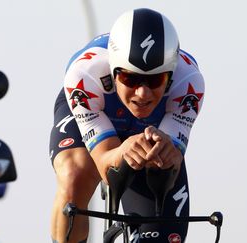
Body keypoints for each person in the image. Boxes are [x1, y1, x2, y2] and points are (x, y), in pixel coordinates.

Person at [49, 8, 205, 243]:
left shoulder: (188, 84)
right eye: (130, 79)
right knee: (76, 174)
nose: (142, 93)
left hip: (152, 126)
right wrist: (122, 151)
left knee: (158, 232)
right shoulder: (85, 75)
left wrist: (168, 153)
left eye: (155, 80)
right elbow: (105, 166)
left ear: (171, 77)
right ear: (112, 73)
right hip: (97, 104)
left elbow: (170, 165)